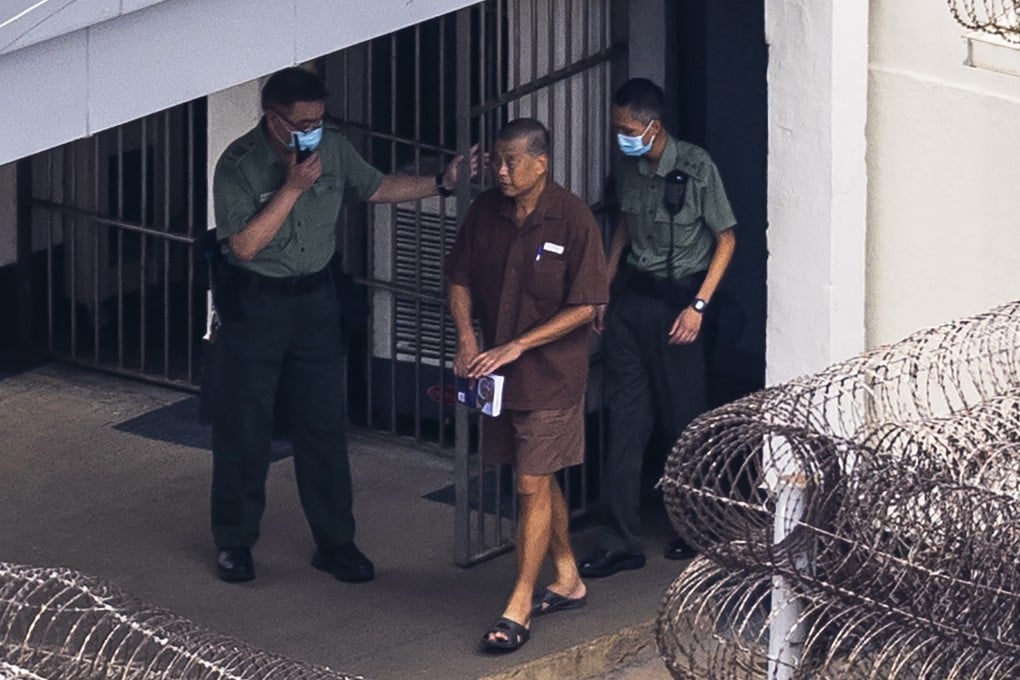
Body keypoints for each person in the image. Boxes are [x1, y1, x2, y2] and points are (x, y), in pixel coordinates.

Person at [210, 66, 476, 584]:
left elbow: (374, 186)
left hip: (315, 300)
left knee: (324, 426)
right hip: (258, 302)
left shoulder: (331, 149)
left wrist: (441, 183)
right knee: (246, 427)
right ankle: (234, 540)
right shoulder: (239, 165)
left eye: (319, 119)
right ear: (274, 119)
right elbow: (242, 247)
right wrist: (290, 189)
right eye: (303, 121)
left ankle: (335, 541)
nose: (313, 129)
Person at [446, 118, 609, 651]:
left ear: (542, 164)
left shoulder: (573, 219)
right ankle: (567, 577)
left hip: (554, 376)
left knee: (530, 485)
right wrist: (467, 338)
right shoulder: (486, 212)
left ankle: (519, 605)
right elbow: (459, 276)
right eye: (496, 160)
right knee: (534, 476)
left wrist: (520, 344)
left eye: (511, 161)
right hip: (498, 374)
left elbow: (588, 303)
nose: (500, 170)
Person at [578, 77, 737, 579]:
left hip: (679, 305)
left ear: (654, 125)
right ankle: (620, 539)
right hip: (634, 302)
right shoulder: (629, 167)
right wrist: (604, 286)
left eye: (628, 128)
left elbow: (726, 239)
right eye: (617, 128)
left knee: (683, 424)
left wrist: (698, 306)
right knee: (626, 425)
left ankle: (695, 529)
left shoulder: (695, 167)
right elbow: (625, 226)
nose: (621, 136)